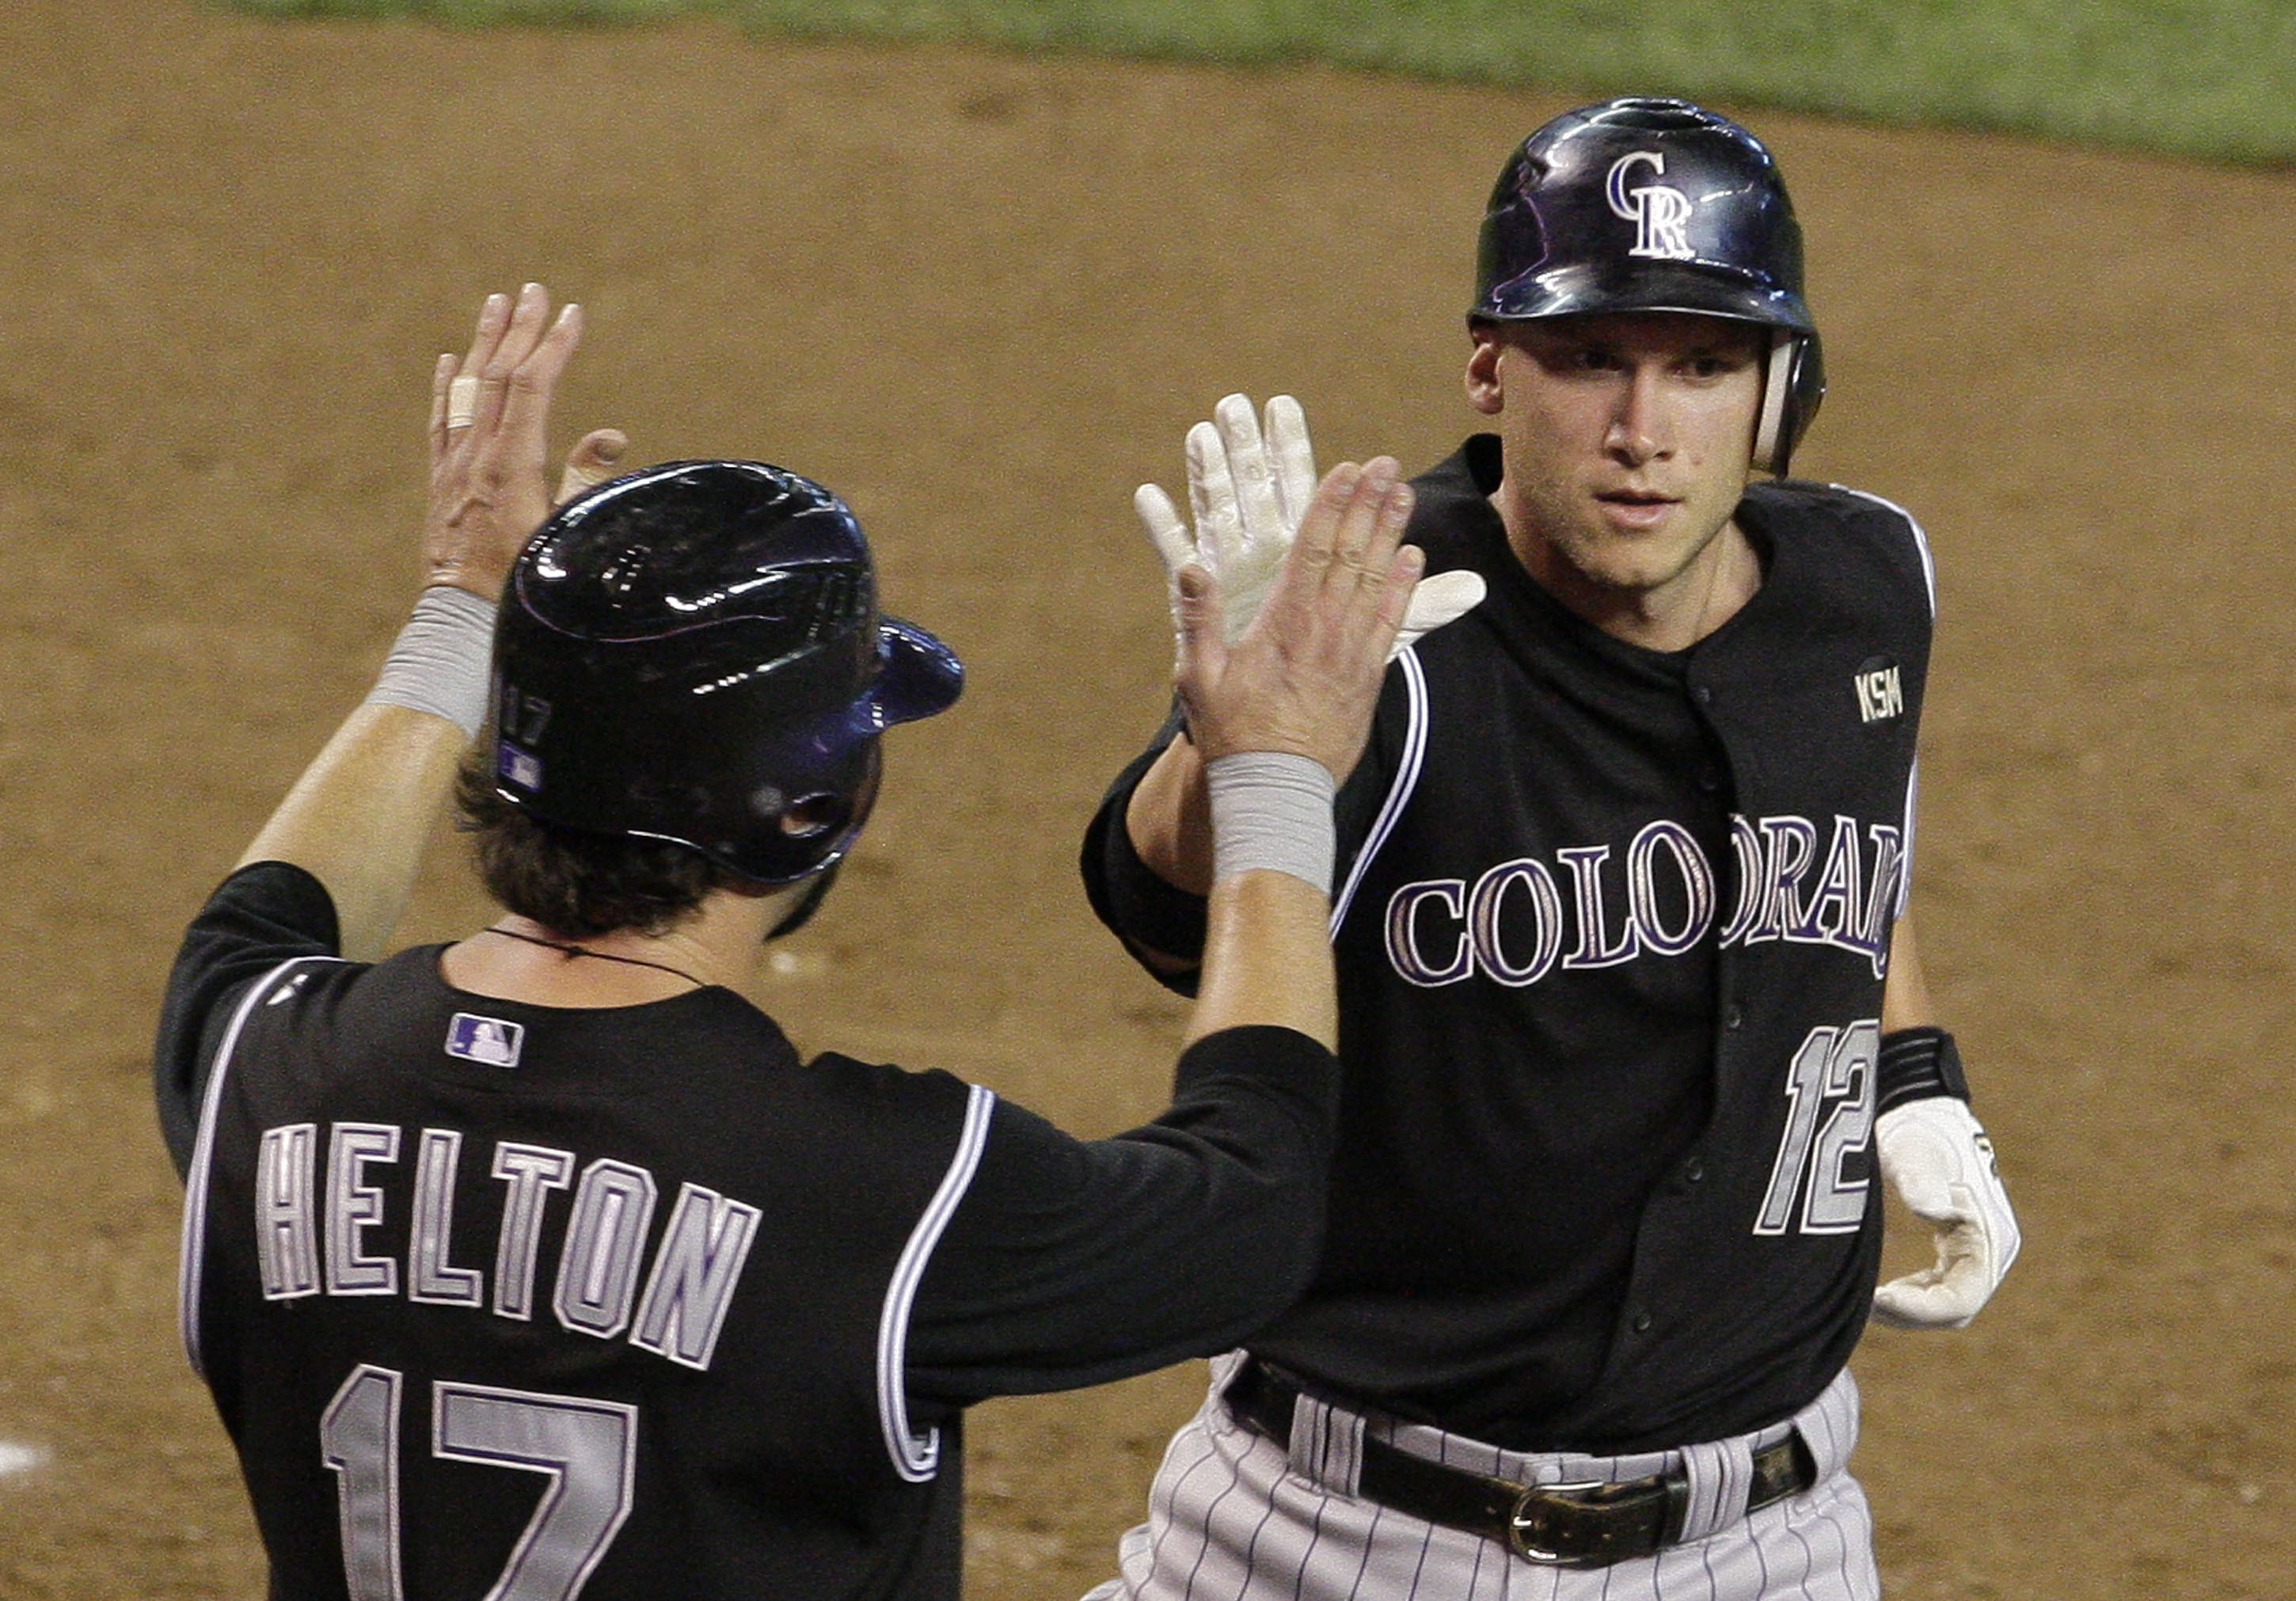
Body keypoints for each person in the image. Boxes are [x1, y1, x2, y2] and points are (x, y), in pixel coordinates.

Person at [154, 282, 1435, 1600]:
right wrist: (1276, 770)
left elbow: (262, 919)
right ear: (813, 811)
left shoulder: (267, 1067)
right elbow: (1255, 1199)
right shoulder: (877, 1192)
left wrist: (461, 612)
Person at [1079, 97, 2021, 1599]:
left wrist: (1916, 1076)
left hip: (1772, 1541)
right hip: (1346, 1542)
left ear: (1781, 390)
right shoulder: (1392, 617)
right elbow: (1160, 886)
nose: (1645, 430)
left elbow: (1857, 836)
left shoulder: (1866, 585)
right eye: (1592, 359)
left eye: (1704, 366)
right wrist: (1242, 738)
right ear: (1489, 366)